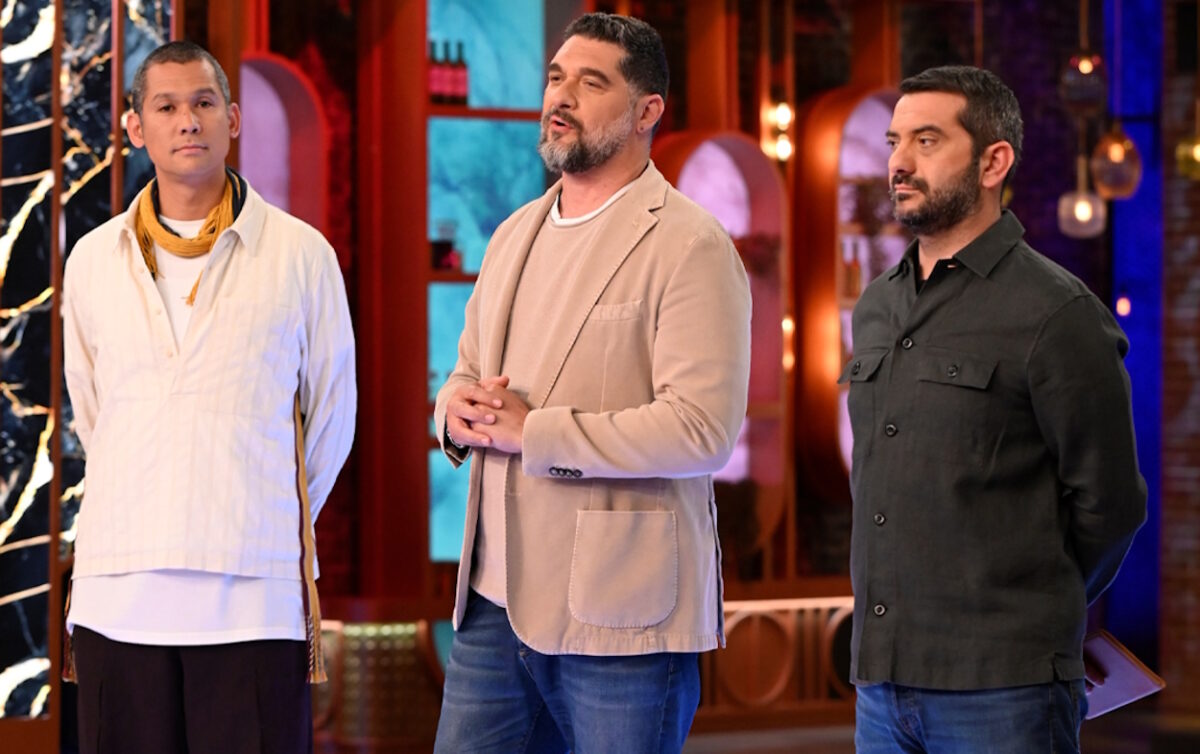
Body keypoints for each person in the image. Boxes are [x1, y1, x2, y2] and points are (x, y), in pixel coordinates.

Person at [431, 13, 751, 754]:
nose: (562, 96)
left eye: (591, 82)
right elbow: (466, 373)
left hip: (619, 617)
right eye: (556, 78)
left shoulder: (691, 244)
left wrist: (534, 432)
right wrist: (453, 410)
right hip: (491, 607)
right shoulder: (513, 232)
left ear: (647, 110)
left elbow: (701, 430)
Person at [842, 65, 1147, 753]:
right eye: (894, 142)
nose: (898, 163)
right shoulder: (877, 304)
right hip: (880, 685)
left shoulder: (1056, 312)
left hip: (1004, 688)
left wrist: (1031, 601)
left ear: (993, 162)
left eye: (926, 141)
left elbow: (1111, 505)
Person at [62, 40, 355, 754]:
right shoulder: (93, 257)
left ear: (233, 118)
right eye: (166, 107)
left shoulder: (300, 253)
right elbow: (95, 415)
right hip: (118, 589)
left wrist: (258, 506)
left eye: (202, 103)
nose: (187, 120)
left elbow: (332, 418)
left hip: (253, 595)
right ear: (136, 128)